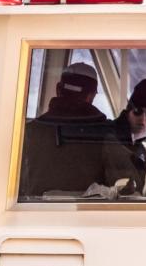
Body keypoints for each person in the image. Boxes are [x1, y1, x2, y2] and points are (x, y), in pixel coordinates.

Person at [19, 63, 135, 198]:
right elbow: (128, 184)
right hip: (87, 217)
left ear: (58, 89)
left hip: (34, 215)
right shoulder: (107, 134)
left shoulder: (29, 132)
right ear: (91, 96)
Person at [110, 79, 146, 195]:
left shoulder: (142, 151)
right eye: (138, 111)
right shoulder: (110, 136)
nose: (143, 119)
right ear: (129, 110)